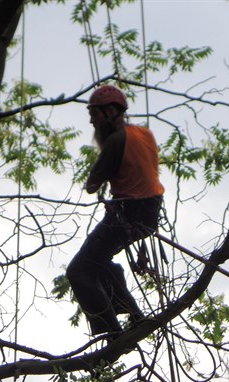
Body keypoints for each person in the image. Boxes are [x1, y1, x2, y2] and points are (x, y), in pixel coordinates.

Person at [66, 84, 165, 336]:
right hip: (149, 214)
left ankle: (111, 332)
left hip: (127, 215)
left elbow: (91, 185)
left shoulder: (115, 140)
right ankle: (134, 315)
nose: (91, 121)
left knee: (78, 271)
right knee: (98, 261)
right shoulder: (145, 134)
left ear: (110, 111)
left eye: (95, 114)